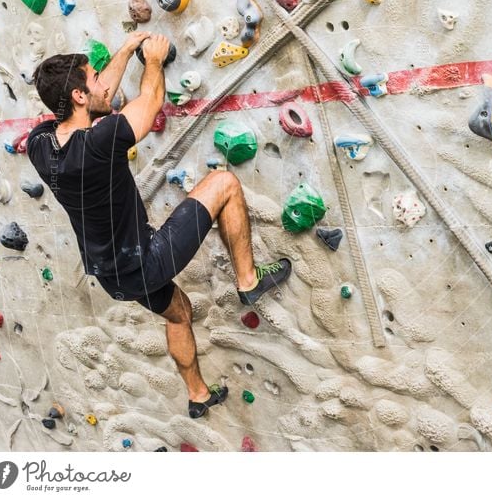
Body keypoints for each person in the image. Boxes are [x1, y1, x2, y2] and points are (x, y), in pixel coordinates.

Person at [26, 32, 292, 418]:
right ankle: (248, 281)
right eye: (95, 77)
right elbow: (148, 103)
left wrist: (122, 52)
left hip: (112, 274)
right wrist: (151, 58)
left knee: (179, 310)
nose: (104, 83)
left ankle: (198, 394)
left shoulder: (41, 144)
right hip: (144, 260)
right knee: (224, 184)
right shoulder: (100, 142)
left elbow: (97, 101)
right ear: (80, 97)